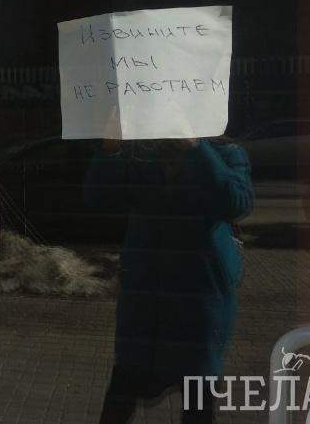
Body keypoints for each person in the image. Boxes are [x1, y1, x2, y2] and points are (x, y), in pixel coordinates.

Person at [84, 137, 253, 424]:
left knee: (198, 399)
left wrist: (196, 147)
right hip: (144, 299)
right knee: (121, 392)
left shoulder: (226, 153)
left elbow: (236, 203)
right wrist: (109, 150)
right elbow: (97, 197)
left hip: (200, 300)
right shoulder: (141, 155)